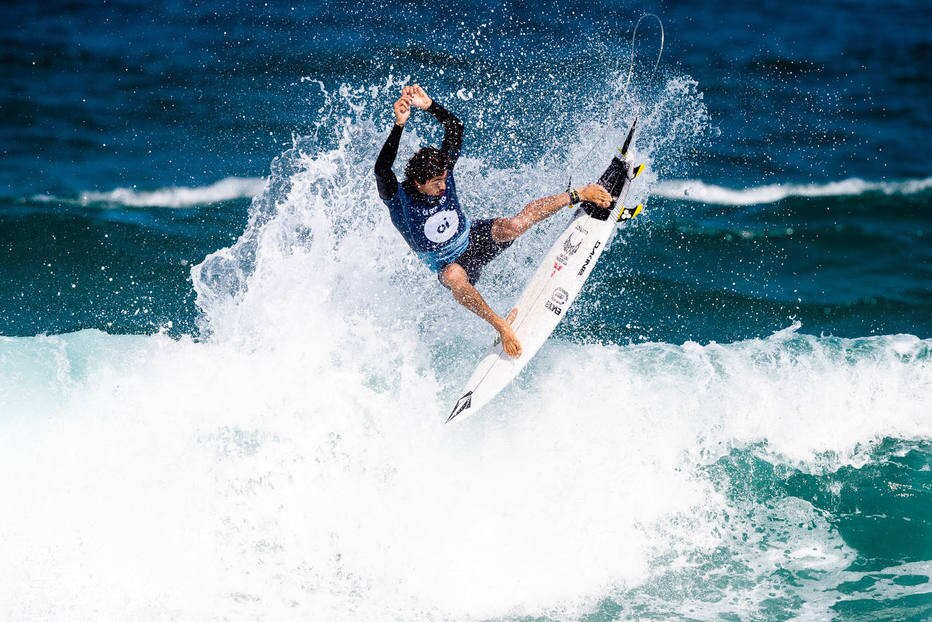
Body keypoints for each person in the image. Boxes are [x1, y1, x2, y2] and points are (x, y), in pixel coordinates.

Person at [374, 85, 611, 358]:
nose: (442, 187)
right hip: (449, 265)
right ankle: (500, 324)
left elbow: (454, 126)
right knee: (453, 276)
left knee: (513, 226)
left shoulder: (444, 169)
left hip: (473, 238)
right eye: (436, 183)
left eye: (443, 180)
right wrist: (399, 125)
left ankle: (580, 193)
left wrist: (430, 107)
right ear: (418, 182)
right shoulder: (398, 197)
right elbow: (382, 170)